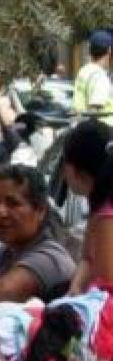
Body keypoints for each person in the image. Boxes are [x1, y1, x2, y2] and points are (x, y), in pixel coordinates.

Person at [0, 165, 76, 311]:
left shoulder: (48, 258)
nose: (1, 212)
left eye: (13, 204)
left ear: (40, 211)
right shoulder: (6, 252)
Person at [63, 119, 113, 294]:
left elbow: (106, 291)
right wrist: (75, 288)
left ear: (73, 169)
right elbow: (88, 258)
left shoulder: (106, 216)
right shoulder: (99, 206)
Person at [73, 30, 113, 123]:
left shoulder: (84, 71)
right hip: (102, 133)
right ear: (109, 50)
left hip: (81, 127)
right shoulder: (99, 76)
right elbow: (94, 111)